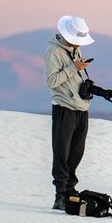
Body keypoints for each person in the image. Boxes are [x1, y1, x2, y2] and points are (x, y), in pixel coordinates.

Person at [44, 15, 96, 211]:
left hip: (81, 108)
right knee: (62, 153)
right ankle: (60, 195)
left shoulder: (76, 49)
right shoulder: (53, 52)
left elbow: (75, 77)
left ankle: (70, 189)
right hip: (64, 107)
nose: (78, 43)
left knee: (76, 153)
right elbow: (51, 81)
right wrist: (73, 67)